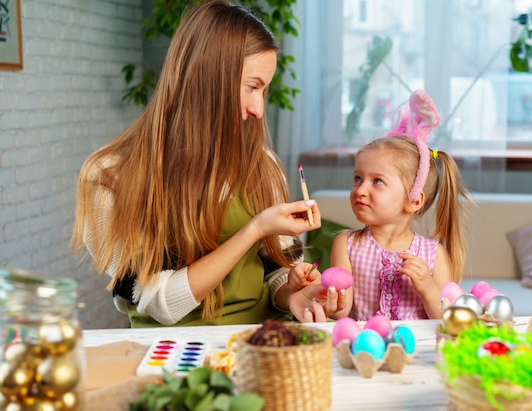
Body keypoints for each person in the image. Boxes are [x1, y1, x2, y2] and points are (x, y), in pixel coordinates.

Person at [71, 0, 346, 327]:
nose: (259, 108)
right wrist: (255, 228)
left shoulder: (262, 167)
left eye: (264, 90)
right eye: (251, 87)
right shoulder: (107, 179)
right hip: (171, 357)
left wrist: (294, 293)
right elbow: (160, 303)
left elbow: (277, 274)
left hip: (259, 339)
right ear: (206, 77)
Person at [329, 90, 472, 321]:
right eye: (358, 178)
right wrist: (331, 301)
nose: (360, 190)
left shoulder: (434, 254)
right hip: (366, 351)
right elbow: (341, 314)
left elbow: (447, 319)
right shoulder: (346, 245)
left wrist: (427, 286)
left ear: (414, 200)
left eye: (377, 181)